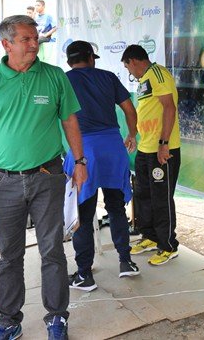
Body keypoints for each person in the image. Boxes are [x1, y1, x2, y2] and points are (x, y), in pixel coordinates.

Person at [0, 15, 87, 340]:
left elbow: (70, 121)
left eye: (35, 38)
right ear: (6, 44)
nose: (34, 44)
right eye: (26, 39)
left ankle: (56, 318)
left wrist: (80, 161)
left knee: (52, 251)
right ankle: (9, 322)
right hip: (3, 182)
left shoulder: (54, 76)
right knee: (9, 257)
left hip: (48, 175)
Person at [62, 40, 139, 291]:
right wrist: (132, 134)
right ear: (90, 58)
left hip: (83, 151)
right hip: (113, 148)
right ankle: (126, 262)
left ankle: (85, 274)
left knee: (83, 215)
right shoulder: (108, 77)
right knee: (116, 208)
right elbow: (129, 109)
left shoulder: (64, 80)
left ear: (69, 61)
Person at [121, 44, 182, 266]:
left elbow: (169, 108)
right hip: (145, 148)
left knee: (161, 199)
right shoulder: (144, 81)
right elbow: (146, 112)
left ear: (133, 61)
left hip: (161, 149)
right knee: (143, 195)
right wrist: (132, 134)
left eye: (128, 68)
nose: (130, 73)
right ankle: (150, 236)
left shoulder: (158, 73)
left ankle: (168, 246)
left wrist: (164, 144)